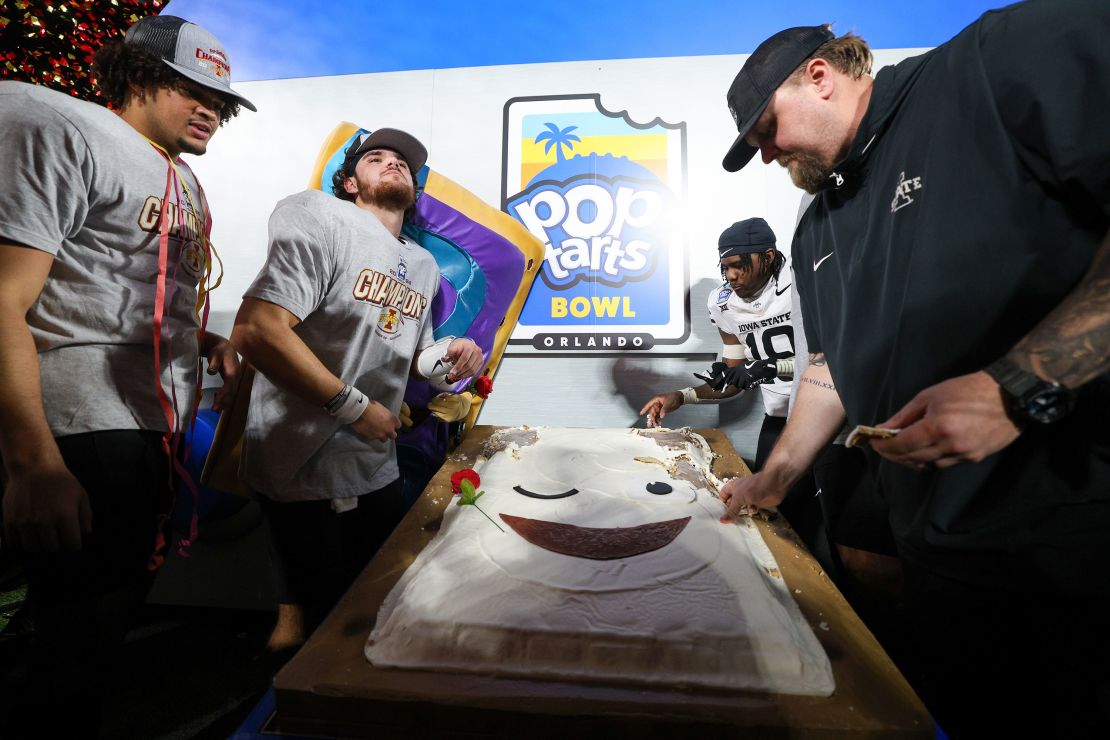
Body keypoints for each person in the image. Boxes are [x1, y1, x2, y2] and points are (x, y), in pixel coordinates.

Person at [717, 3, 1110, 737]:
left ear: (821, 76)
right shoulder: (816, 229)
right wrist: (780, 474)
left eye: (766, 130)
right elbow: (832, 368)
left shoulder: (994, 63)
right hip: (939, 558)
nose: (768, 154)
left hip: (1078, 547)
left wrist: (1019, 385)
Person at [0, 14, 253, 736]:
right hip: (78, 425)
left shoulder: (183, 178)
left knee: (94, 643)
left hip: (150, 427)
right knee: (67, 656)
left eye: (222, 100)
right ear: (136, 74)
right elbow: (3, 300)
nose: (211, 109)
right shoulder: (61, 126)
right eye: (189, 88)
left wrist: (204, 341)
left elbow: (112, 293)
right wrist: (32, 463)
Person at [231, 129, 483, 648]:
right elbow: (257, 331)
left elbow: (417, 358)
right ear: (349, 182)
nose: (394, 164)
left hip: (371, 453)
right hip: (301, 451)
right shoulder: (320, 215)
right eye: (376, 158)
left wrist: (456, 354)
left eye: (404, 164)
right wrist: (354, 406)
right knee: (320, 621)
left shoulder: (423, 264)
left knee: (375, 599)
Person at [640, 218, 795, 472]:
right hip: (779, 419)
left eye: (738, 266)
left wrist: (771, 368)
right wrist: (681, 396)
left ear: (768, 256)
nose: (731, 276)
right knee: (769, 507)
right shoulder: (723, 303)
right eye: (725, 268)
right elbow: (732, 379)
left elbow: (832, 360)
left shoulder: (802, 282)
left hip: (829, 414)